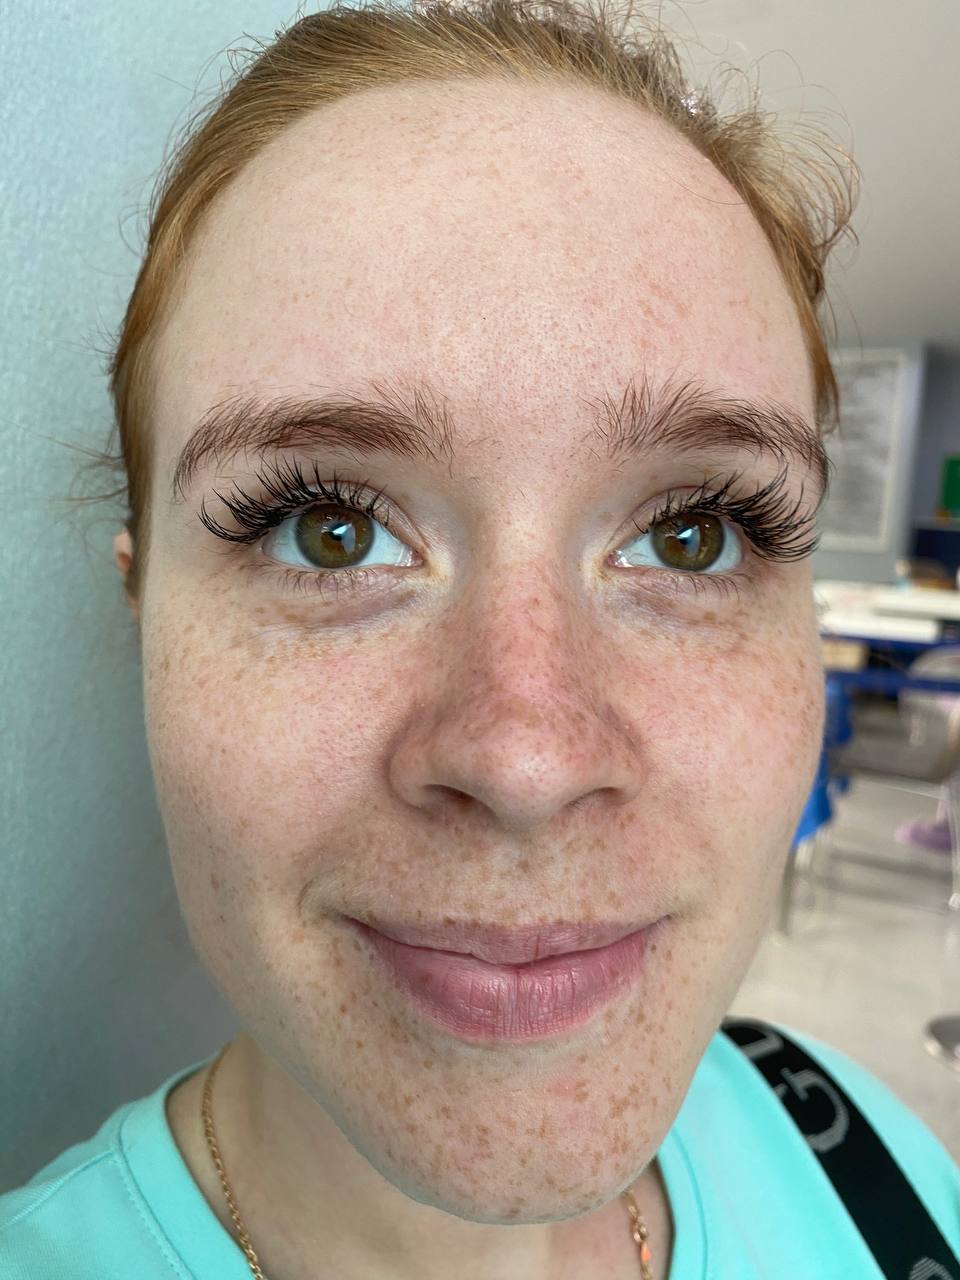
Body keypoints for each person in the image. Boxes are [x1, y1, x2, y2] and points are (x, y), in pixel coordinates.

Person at [3, 1, 958, 1277]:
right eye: (331, 531)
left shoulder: (874, 1162)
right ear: (146, 615)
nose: (526, 760)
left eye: (695, 535)